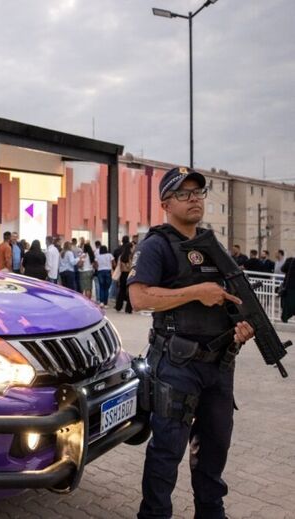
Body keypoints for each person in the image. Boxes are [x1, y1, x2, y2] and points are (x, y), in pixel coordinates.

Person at [129, 166, 255, 519]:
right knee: (166, 452)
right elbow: (139, 298)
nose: (194, 199)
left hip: (220, 364)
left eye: (198, 193)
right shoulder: (156, 244)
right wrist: (196, 292)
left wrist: (242, 328)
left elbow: (231, 302)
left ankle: (211, 513)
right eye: (183, 194)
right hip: (176, 364)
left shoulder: (212, 246)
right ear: (166, 203)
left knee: (214, 450)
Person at [114, 236, 134, 313]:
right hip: (130, 275)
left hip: (122, 275)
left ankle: (118, 306)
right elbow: (131, 266)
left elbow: (119, 266)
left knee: (121, 291)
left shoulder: (121, 256)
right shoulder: (131, 257)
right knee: (130, 292)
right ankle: (128, 309)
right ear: (130, 248)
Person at [281, 256, 295, 323]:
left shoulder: (290, 260)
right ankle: (285, 318)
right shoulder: (291, 261)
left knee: (288, 304)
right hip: (291, 287)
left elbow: (283, 269)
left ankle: (285, 318)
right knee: (289, 305)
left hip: (289, 287)